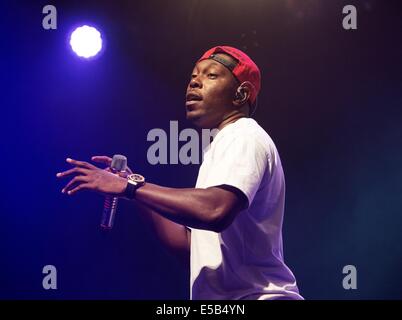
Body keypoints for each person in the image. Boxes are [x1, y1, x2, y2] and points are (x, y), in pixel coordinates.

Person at [56, 46, 303, 300]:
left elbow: (215, 211)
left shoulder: (244, 135)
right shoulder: (221, 146)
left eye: (211, 75)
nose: (194, 82)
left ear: (241, 94)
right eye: (193, 76)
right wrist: (129, 185)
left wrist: (130, 187)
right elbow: (189, 246)